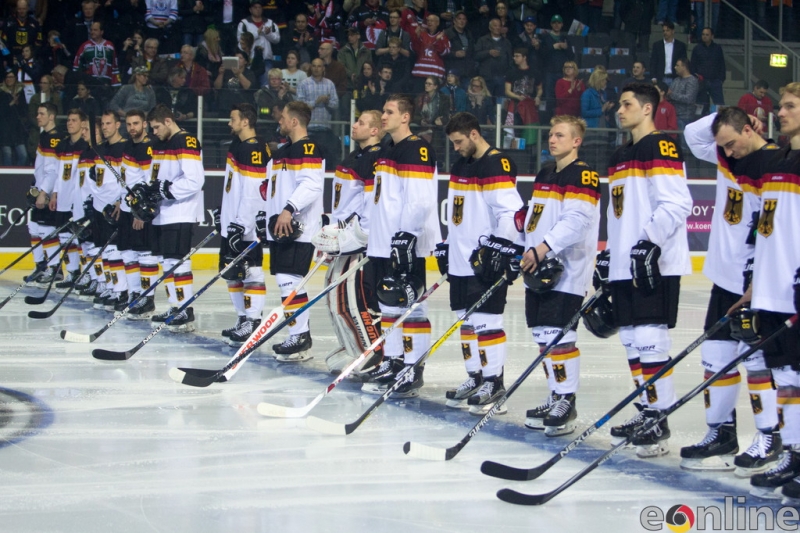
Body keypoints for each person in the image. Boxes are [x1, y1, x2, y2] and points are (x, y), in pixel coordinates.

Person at [680, 107, 782, 476]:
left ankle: (770, 437)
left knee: (756, 363)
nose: (726, 151)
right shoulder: (728, 152)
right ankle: (720, 434)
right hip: (723, 278)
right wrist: (724, 118)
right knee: (715, 359)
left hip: (754, 282)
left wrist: (757, 277)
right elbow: (693, 135)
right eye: (722, 144)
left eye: (731, 143)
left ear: (749, 131)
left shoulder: (774, 164)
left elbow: (769, 227)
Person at [604, 82, 692, 458]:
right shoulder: (620, 153)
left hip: (654, 262)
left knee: (650, 338)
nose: (619, 110)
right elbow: (620, 214)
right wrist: (610, 254)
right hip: (626, 263)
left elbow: (677, 203)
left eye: (626, 104)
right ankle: (646, 410)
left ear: (647, 109)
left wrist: (649, 241)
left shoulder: (661, 146)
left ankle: (659, 419)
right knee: (631, 340)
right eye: (619, 104)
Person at [520, 114, 600, 436]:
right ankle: (555, 395)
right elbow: (535, 218)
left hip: (567, 270)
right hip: (538, 267)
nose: (552, 140)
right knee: (543, 336)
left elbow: (577, 222)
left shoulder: (584, 175)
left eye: (560, 135)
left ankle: (566, 400)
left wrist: (543, 248)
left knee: (559, 336)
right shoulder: (545, 172)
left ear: (577, 141)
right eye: (551, 134)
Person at [440, 111, 523, 414]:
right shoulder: (461, 164)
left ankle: (494, 383)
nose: (456, 147)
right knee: (466, 322)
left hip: (484, 261)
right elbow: (458, 214)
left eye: (459, 141)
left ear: (474, 134)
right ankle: (475, 377)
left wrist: (500, 249)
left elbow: (511, 214)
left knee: (487, 322)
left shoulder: (496, 163)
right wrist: (446, 246)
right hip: (459, 259)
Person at [742, 82, 800, 502]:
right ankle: (794, 453)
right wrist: (755, 282)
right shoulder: (778, 159)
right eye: (780, 106)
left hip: (795, 288)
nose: (780, 112)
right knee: (786, 378)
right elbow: (767, 228)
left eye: (790, 106)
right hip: (771, 290)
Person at [360, 94, 441, 398]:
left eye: (390, 111)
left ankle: (413, 367)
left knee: (411, 305)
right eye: (383, 111)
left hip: (404, 242)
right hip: (383, 241)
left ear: (405, 117)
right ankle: (393, 361)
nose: (383, 116)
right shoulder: (386, 149)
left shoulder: (416, 148)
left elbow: (419, 199)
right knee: (388, 303)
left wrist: (406, 236)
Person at [318, 109, 384, 374]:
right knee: (334, 299)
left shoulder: (375, 159)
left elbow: (369, 205)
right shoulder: (354, 156)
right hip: (341, 240)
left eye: (361, 122)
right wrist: (331, 228)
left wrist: (354, 235)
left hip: (355, 243)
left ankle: (372, 351)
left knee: (350, 302)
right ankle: (353, 348)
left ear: (375, 130)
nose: (354, 125)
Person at [263, 100, 324, 361]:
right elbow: (271, 188)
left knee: (289, 280)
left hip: (299, 227)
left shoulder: (307, 148)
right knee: (284, 280)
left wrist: (289, 209)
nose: (279, 121)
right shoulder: (282, 151)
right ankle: (297, 335)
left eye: (283, 117)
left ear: (294, 121)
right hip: (281, 227)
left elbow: (311, 184)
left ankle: (300, 336)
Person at [146, 104, 205, 332]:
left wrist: (166, 191)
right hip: (164, 212)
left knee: (178, 261)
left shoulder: (186, 141)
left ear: (168, 121)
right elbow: (158, 178)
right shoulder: (162, 143)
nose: (154, 132)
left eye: (157, 127)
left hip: (180, 211)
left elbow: (194, 180)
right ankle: (175, 306)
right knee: (168, 262)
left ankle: (184, 309)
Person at [218, 103, 270, 345]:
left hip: (245, 226)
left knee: (251, 272)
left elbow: (254, 192)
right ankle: (242, 319)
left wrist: (241, 224)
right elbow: (234, 187)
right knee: (232, 272)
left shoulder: (253, 148)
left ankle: (253, 320)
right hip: (233, 222)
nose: (230, 123)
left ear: (245, 121)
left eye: (233, 118)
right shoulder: (238, 145)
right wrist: (225, 215)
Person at [114, 109, 159, 318]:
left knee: (144, 253)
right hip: (126, 207)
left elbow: (149, 182)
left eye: (136, 123)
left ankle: (147, 298)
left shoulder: (148, 147)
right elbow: (126, 179)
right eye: (129, 124)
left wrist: (140, 212)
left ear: (145, 124)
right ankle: (134, 294)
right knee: (127, 253)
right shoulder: (128, 145)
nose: (132, 128)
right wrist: (119, 200)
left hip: (138, 210)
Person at [44, 109, 89, 286]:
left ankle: (86, 274)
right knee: (64, 238)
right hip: (62, 199)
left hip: (77, 201)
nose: (69, 123)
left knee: (80, 239)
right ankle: (72, 272)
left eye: (74, 120)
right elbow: (57, 172)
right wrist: (54, 194)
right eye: (68, 120)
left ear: (83, 123)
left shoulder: (85, 146)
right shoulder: (62, 145)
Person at [87, 111, 127, 311]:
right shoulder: (100, 149)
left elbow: (128, 177)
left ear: (118, 125)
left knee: (115, 251)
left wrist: (121, 200)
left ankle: (121, 290)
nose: (104, 127)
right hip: (99, 205)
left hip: (115, 206)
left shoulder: (124, 148)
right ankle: (111, 286)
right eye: (102, 124)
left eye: (108, 123)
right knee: (104, 250)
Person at [24, 101, 61, 285]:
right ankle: (41, 265)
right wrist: (36, 187)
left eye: (42, 114)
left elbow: (53, 170)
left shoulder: (54, 138)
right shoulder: (44, 136)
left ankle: (54, 269)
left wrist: (44, 192)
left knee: (46, 229)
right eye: (37, 113)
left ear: (51, 116)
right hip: (40, 189)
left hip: (47, 192)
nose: (38, 116)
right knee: (33, 227)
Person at [297, 58, 339, 170]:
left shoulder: (329, 84)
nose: (316, 69)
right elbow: (299, 105)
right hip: (308, 129)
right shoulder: (304, 83)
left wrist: (327, 102)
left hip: (325, 129)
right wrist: (316, 102)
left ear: (323, 68)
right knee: (308, 159)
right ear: (311, 67)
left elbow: (335, 105)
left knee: (327, 158)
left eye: (319, 66)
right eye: (314, 66)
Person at [72, 21, 121, 89]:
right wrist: (77, 83)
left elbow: (115, 67)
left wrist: (116, 85)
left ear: (101, 32)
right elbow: (77, 65)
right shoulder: (85, 46)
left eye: (95, 30)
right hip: (89, 85)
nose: (92, 32)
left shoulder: (110, 46)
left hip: (107, 84)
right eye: (91, 30)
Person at [237, 0, 280, 74]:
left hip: (266, 59)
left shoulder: (270, 22)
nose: (258, 9)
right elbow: (240, 41)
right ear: (250, 9)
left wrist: (268, 34)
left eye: (260, 7)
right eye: (255, 7)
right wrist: (257, 33)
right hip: (249, 60)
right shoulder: (244, 23)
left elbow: (277, 39)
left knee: (266, 81)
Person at [409, 13, 450, 92]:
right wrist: (416, 37)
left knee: (433, 98)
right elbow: (414, 49)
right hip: (420, 73)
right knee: (418, 97)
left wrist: (438, 41)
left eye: (432, 21)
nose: (429, 22)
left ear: (437, 23)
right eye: (428, 21)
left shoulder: (443, 36)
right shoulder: (421, 34)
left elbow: (444, 52)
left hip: (435, 74)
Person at [474, 18, 512, 98]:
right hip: (486, 78)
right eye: (495, 26)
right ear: (490, 27)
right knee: (486, 100)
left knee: (500, 102)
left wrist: (507, 75)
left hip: (501, 78)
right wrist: (488, 52)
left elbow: (510, 60)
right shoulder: (482, 40)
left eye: (499, 26)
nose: (497, 28)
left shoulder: (506, 42)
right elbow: (476, 55)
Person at [691, 28, 726, 107]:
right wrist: (696, 77)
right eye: (703, 34)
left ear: (712, 36)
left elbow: (722, 64)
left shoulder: (717, 48)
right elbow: (693, 65)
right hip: (701, 81)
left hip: (715, 81)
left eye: (707, 35)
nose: (704, 36)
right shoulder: (697, 48)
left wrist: (721, 79)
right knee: (701, 106)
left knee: (719, 105)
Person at [0, 68, 28, 165]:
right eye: (7, 77)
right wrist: (10, 104)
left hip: (17, 130)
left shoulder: (20, 92)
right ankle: (8, 175)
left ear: (15, 78)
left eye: (11, 77)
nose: (9, 79)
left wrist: (18, 104)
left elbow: (24, 110)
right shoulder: (1, 93)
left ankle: (18, 173)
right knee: (7, 155)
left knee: (23, 155)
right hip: (5, 130)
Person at [666, 57, 699, 130]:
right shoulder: (676, 80)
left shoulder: (692, 80)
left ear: (684, 67)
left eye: (677, 65)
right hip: (673, 115)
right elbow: (669, 94)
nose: (675, 67)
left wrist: (671, 94)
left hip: (685, 117)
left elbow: (689, 99)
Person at [442, 10, 474, 81]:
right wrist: (454, 54)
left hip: (467, 71)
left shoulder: (469, 34)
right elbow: (441, 51)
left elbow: (472, 51)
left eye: (464, 19)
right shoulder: (447, 33)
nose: (462, 21)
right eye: (459, 19)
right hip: (452, 71)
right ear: (454, 21)